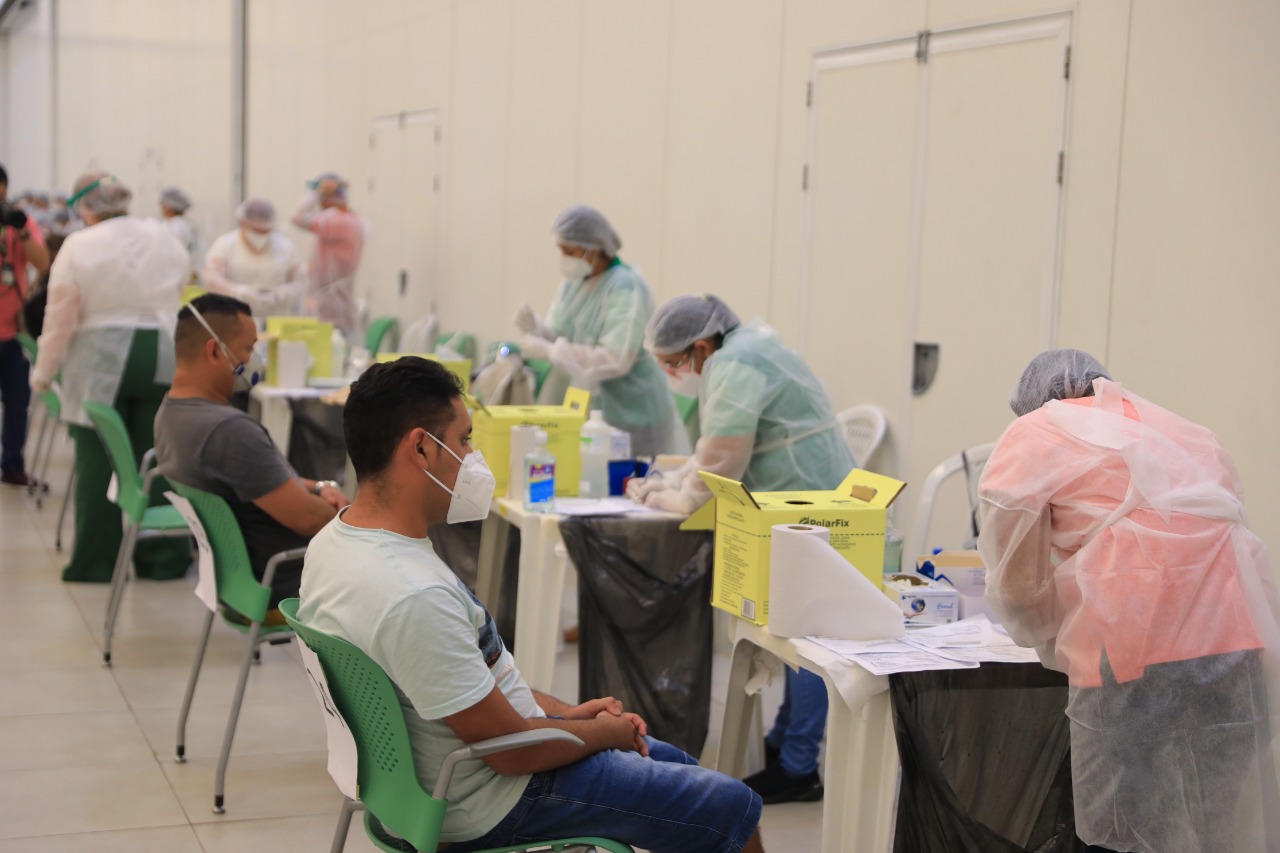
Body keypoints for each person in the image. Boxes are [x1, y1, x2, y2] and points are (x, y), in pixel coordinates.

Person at [298, 357, 765, 853]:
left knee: (677, 765)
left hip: (429, 786)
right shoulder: (413, 594)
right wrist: (601, 732)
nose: (473, 457)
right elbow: (510, 753)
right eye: (464, 440)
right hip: (495, 800)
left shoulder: (335, 543)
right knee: (733, 805)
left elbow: (473, 686)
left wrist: (571, 715)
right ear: (420, 448)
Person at [977, 349, 1280, 853]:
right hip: (1239, 641)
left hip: (1133, 652)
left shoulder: (1034, 432)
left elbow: (1017, 588)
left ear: (1033, 403)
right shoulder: (1183, 432)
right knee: (1215, 824)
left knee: (1125, 826)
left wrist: (1046, 637)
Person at [635, 293, 856, 805]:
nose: (673, 375)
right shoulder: (745, 351)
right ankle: (785, 745)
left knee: (803, 636)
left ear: (701, 345)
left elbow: (720, 462)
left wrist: (676, 494)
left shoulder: (735, 363)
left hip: (811, 507)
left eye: (673, 364)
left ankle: (800, 767)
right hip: (799, 502)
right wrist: (674, 479)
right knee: (790, 632)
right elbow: (713, 449)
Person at [31, 172, 191, 582]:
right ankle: (163, 560)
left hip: (99, 358)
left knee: (98, 461)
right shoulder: (163, 236)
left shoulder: (78, 244)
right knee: (157, 460)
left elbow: (61, 313)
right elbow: (181, 286)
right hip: (159, 353)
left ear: (85, 207)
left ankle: (96, 563)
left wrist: (44, 372)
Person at [155, 294, 347, 616]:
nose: (255, 359)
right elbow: (309, 519)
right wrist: (357, 520)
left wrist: (317, 488)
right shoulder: (230, 431)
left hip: (236, 585)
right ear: (215, 351)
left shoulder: (171, 413)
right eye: (248, 348)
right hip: (288, 582)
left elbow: (263, 482)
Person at [514, 204, 679, 456]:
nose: (564, 258)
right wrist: (538, 329)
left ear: (593, 247)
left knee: (635, 485)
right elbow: (563, 334)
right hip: (597, 411)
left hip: (634, 412)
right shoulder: (574, 285)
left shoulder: (626, 288)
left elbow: (615, 359)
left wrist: (550, 351)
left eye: (569, 250)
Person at [0, 163, 51, 486]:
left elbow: (43, 263)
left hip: (13, 331)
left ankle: (12, 464)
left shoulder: (20, 222)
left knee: (17, 404)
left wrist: (18, 229)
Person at [204, 197, 305, 318]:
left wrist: (282, 293)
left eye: (266, 230)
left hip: (276, 317)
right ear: (243, 223)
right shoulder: (224, 245)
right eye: (257, 230)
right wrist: (238, 292)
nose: (262, 234)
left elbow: (300, 281)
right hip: (234, 316)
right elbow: (212, 279)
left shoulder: (285, 246)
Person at [290, 173, 364, 335]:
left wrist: (315, 191)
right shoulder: (352, 219)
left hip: (330, 304)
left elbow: (297, 217)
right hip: (335, 300)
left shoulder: (336, 220)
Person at [158, 186, 200, 284]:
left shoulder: (175, 226)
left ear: (169, 207)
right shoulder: (184, 224)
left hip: (175, 278)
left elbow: (173, 254)